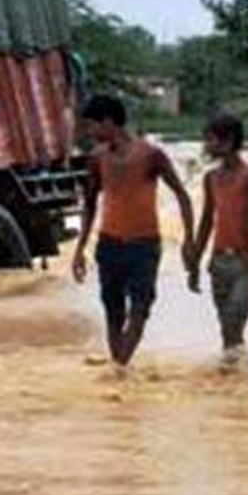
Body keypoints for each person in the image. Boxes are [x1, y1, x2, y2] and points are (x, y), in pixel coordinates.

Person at [71, 95, 195, 369]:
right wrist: (80, 250)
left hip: (144, 246)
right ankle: (120, 371)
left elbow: (182, 195)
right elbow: (89, 206)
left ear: (108, 121)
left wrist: (189, 239)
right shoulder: (97, 158)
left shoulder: (151, 155)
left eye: (92, 125)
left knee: (140, 309)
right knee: (113, 313)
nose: (90, 132)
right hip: (109, 244)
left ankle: (118, 369)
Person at [182, 114, 248, 368]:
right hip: (219, 260)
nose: (206, 146)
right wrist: (195, 261)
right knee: (226, 325)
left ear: (228, 142)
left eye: (211, 140)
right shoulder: (211, 178)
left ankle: (236, 367)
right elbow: (207, 221)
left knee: (234, 316)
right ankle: (233, 373)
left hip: (247, 260)